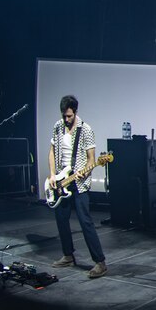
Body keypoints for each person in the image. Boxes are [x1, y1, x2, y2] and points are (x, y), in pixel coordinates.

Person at [47, 95, 108, 278]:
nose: (66, 120)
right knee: (61, 219)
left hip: (79, 183)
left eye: (69, 116)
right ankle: (68, 255)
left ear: (75, 112)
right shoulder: (58, 126)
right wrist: (52, 175)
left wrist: (85, 172)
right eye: (64, 116)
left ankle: (100, 262)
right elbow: (52, 152)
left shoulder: (86, 130)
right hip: (61, 180)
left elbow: (91, 159)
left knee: (85, 221)